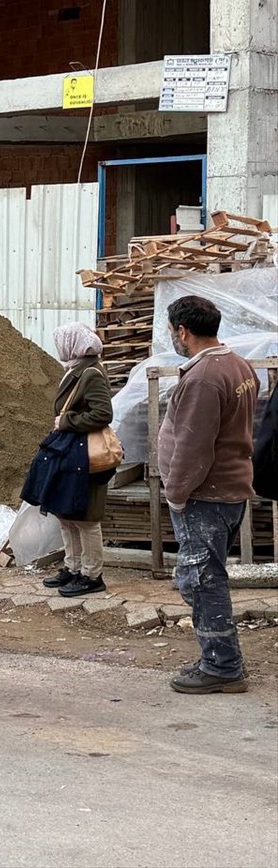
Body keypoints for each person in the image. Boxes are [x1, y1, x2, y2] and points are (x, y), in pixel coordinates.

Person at [159, 296, 257, 695]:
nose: (172, 337)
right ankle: (219, 659)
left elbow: (193, 447)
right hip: (226, 490)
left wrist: (176, 493)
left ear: (183, 331)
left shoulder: (204, 378)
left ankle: (222, 666)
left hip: (206, 496)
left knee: (202, 581)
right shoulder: (237, 365)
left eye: (172, 331)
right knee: (205, 577)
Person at [41, 323, 115, 597]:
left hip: (86, 455)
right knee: (67, 514)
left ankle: (92, 575)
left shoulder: (90, 372)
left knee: (86, 518)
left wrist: (66, 421)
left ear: (72, 344)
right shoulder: (77, 368)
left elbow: (103, 414)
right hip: (72, 453)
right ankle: (72, 568)